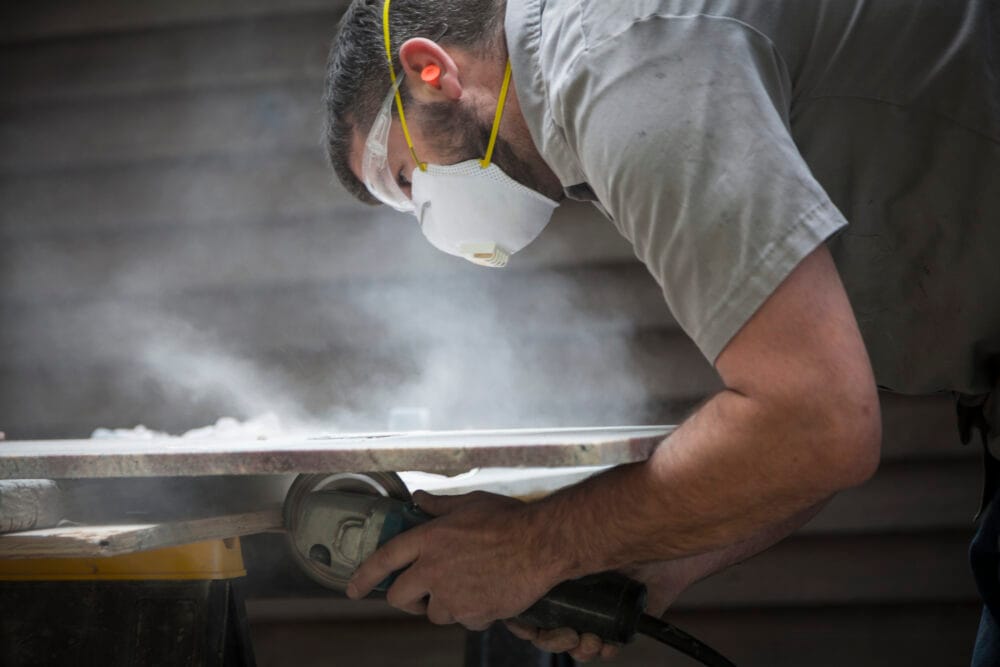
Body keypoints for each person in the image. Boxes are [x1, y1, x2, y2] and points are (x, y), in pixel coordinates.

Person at [323, 0, 1000, 662]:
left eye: (407, 182)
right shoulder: (612, 75)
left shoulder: (624, 70)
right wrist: (656, 555)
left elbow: (818, 422)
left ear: (431, 70)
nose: (426, 216)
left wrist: (529, 546)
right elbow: (803, 433)